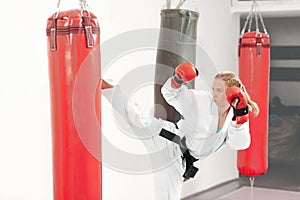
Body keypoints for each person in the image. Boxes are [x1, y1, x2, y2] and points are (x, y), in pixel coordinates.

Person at [101, 62, 259, 200]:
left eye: (219, 91)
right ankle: (107, 86)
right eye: (213, 89)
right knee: (138, 119)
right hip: (169, 139)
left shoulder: (235, 117)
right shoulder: (201, 100)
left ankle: (110, 89)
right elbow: (169, 93)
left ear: (233, 92)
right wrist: (178, 80)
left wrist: (241, 116)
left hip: (180, 158)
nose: (214, 94)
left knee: (169, 196)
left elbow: (240, 144)